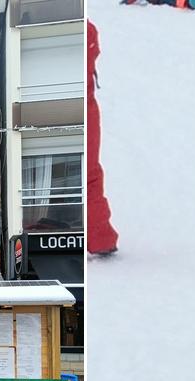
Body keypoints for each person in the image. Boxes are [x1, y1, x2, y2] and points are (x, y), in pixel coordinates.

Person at [87, 20, 119, 255]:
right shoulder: (87, 31)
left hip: (83, 108)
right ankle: (101, 238)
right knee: (89, 177)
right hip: (87, 108)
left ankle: (101, 237)